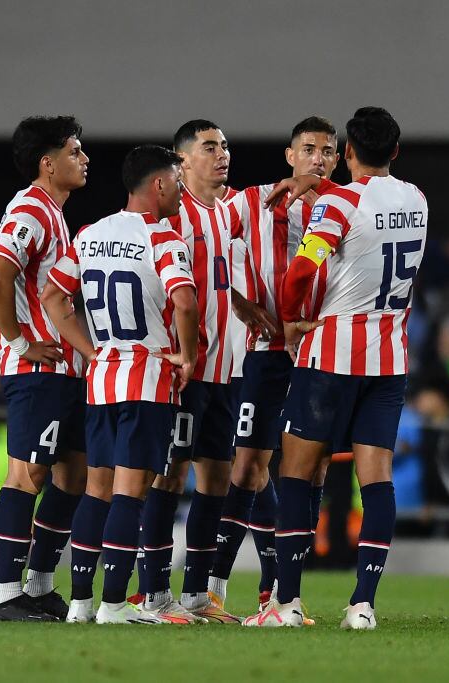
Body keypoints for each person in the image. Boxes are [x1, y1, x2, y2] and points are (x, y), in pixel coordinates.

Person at [243, 106, 427, 629]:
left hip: (333, 352)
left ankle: (287, 603)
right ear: (395, 152)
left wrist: (295, 320)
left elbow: (300, 272)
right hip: (390, 355)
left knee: (298, 471)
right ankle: (363, 603)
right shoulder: (416, 198)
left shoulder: (340, 203)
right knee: (377, 478)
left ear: (346, 152)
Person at [40, 144, 199, 624]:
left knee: (97, 490)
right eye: (176, 179)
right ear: (158, 185)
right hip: (146, 378)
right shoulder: (163, 238)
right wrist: (188, 355)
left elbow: (52, 296)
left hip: (102, 377)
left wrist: (89, 350)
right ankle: (113, 604)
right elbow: (186, 303)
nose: (180, 189)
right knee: (131, 493)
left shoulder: (91, 233)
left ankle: (82, 603)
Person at [135, 120, 271, 623]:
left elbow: (210, 279)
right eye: (210, 147)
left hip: (224, 371)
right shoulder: (173, 215)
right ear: (182, 160)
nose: (222, 154)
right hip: (184, 373)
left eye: (226, 146)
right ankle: (153, 593)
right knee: (169, 477)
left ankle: (196, 594)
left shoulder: (222, 211)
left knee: (215, 478)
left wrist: (238, 301)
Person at [209, 116, 341, 613]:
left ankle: (283, 594)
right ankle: (216, 587)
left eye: (327, 152)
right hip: (263, 352)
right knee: (247, 467)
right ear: (289, 155)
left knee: (310, 471)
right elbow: (212, 250)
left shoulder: (344, 205)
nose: (318, 159)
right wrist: (240, 303)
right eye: (308, 149)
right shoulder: (250, 200)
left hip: (320, 352)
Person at [0, 116, 90, 621]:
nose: (84, 158)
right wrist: (19, 342)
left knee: (72, 473)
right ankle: (6, 593)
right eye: (74, 151)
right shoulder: (29, 208)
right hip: (36, 369)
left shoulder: (54, 211)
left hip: (63, 367)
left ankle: (40, 585)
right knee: (28, 473)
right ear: (48, 164)